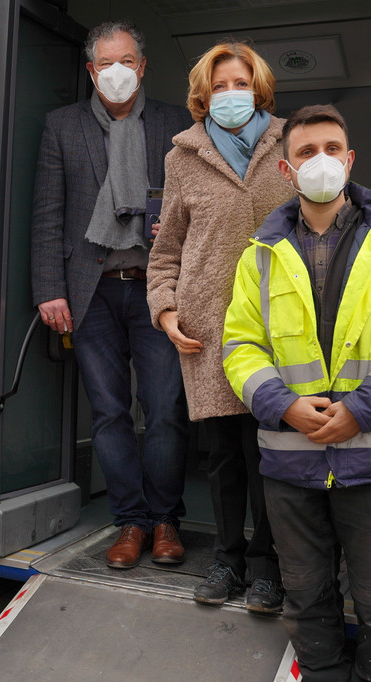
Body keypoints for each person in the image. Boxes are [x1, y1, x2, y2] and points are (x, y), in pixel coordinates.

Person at [221, 104, 371, 682]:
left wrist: (361, 412)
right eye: (306, 152)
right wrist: (284, 406)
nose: (319, 160)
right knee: (308, 608)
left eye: (331, 148)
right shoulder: (260, 253)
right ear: (286, 168)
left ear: (349, 161)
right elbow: (240, 348)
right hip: (292, 467)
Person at [29, 20, 194, 569]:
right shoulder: (62, 126)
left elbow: (193, 215)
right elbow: (48, 213)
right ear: (91, 70)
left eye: (128, 60)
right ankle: (129, 521)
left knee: (166, 408)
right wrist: (50, 289)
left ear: (142, 67)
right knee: (108, 412)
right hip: (90, 291)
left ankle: (167, 519)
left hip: (156, 291)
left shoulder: (175, 123)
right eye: (106, 63)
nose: (117, 71)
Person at [146, 41, 294, 614]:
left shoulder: (289, 144)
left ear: (259, 88)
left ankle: (269, 567)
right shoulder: (182, 157)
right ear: (202, 95)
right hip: (206, 328)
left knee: (269, 454)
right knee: (224, 456)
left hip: (277, 329)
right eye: (220, 85)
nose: (230, 94)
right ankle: (227, 560)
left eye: (241, 83)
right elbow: (168, 249)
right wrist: (164, 309)